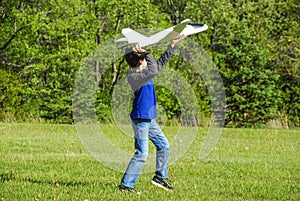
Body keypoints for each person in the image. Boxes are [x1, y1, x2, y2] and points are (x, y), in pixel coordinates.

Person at [119, 35, 186, 192]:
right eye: (144, 58)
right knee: (142, 153)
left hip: (148, 119)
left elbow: (159, 65)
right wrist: (146, 51)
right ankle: (126, 185)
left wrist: (172, 45)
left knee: (164, 146)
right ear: (141, 61)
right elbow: (155, 68)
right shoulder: (135, 76)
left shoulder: (145, 73)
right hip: (141, 120)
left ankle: (160, 177)